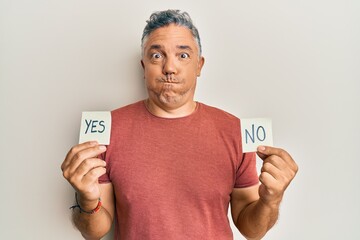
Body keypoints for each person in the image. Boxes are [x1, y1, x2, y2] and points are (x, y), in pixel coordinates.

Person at [61, 9, 298, 240]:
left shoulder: (234, 131)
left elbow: (252, 231)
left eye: (183, 55)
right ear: (144, 67)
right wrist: (88, 200)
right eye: (157, 55)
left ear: (199, 66)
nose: (169, 68)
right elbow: (94, 232)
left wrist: (271, 200)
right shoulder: (107, 132)